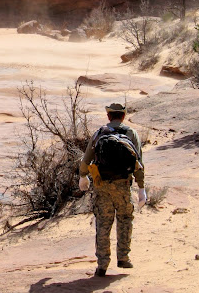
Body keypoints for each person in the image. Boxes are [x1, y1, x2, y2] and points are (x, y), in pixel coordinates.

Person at [78, 103, 147, 277]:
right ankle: (123, 258)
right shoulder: (131, 133)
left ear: (109, 116)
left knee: (103, 222)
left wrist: (83, 176)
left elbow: (86, 158)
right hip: (123, 185)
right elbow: (138, 163)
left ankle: (102, 265)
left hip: (102, 186)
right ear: (123, 116)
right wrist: (141, 187)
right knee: (124, 218)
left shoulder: (100, 133)